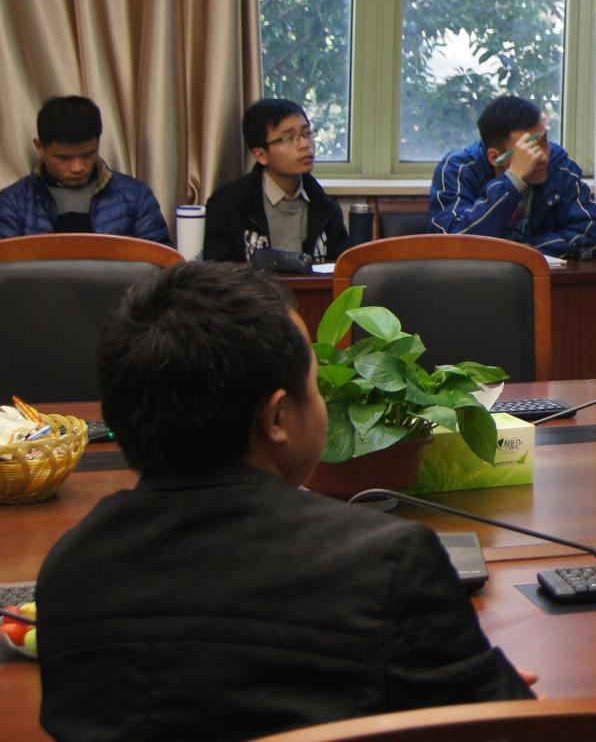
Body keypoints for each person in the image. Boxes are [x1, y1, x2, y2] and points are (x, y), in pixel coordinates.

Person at [35, 262, 535, 742]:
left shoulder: (69, 571)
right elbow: (503, 728)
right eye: (315, 385)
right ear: (277, 418)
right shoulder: (386, 563)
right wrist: (495, 696)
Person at [429, 95, 596, 259]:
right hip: (475, 280)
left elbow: (594, 234)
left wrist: (521, 252)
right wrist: (513, 179)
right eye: (528, 149)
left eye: (544, 142)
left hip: (544, 279)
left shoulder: (559, 167)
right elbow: (449, 241)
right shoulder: (459, 168)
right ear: (495, 157)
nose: (543, 157)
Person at [0, 95, 170, 244]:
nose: (77, 167)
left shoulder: (135, 196)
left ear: (98, 142)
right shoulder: (12, 203)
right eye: (64, 158)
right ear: (40, 147)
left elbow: (161, 261)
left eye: (88, 154)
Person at [203, 98, 349, 264]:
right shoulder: (227, 205)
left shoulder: (326, 207)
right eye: (288, 138)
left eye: (307, 133)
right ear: (261, 155)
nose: (304, 144)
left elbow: (342, 268)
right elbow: (218, 272)